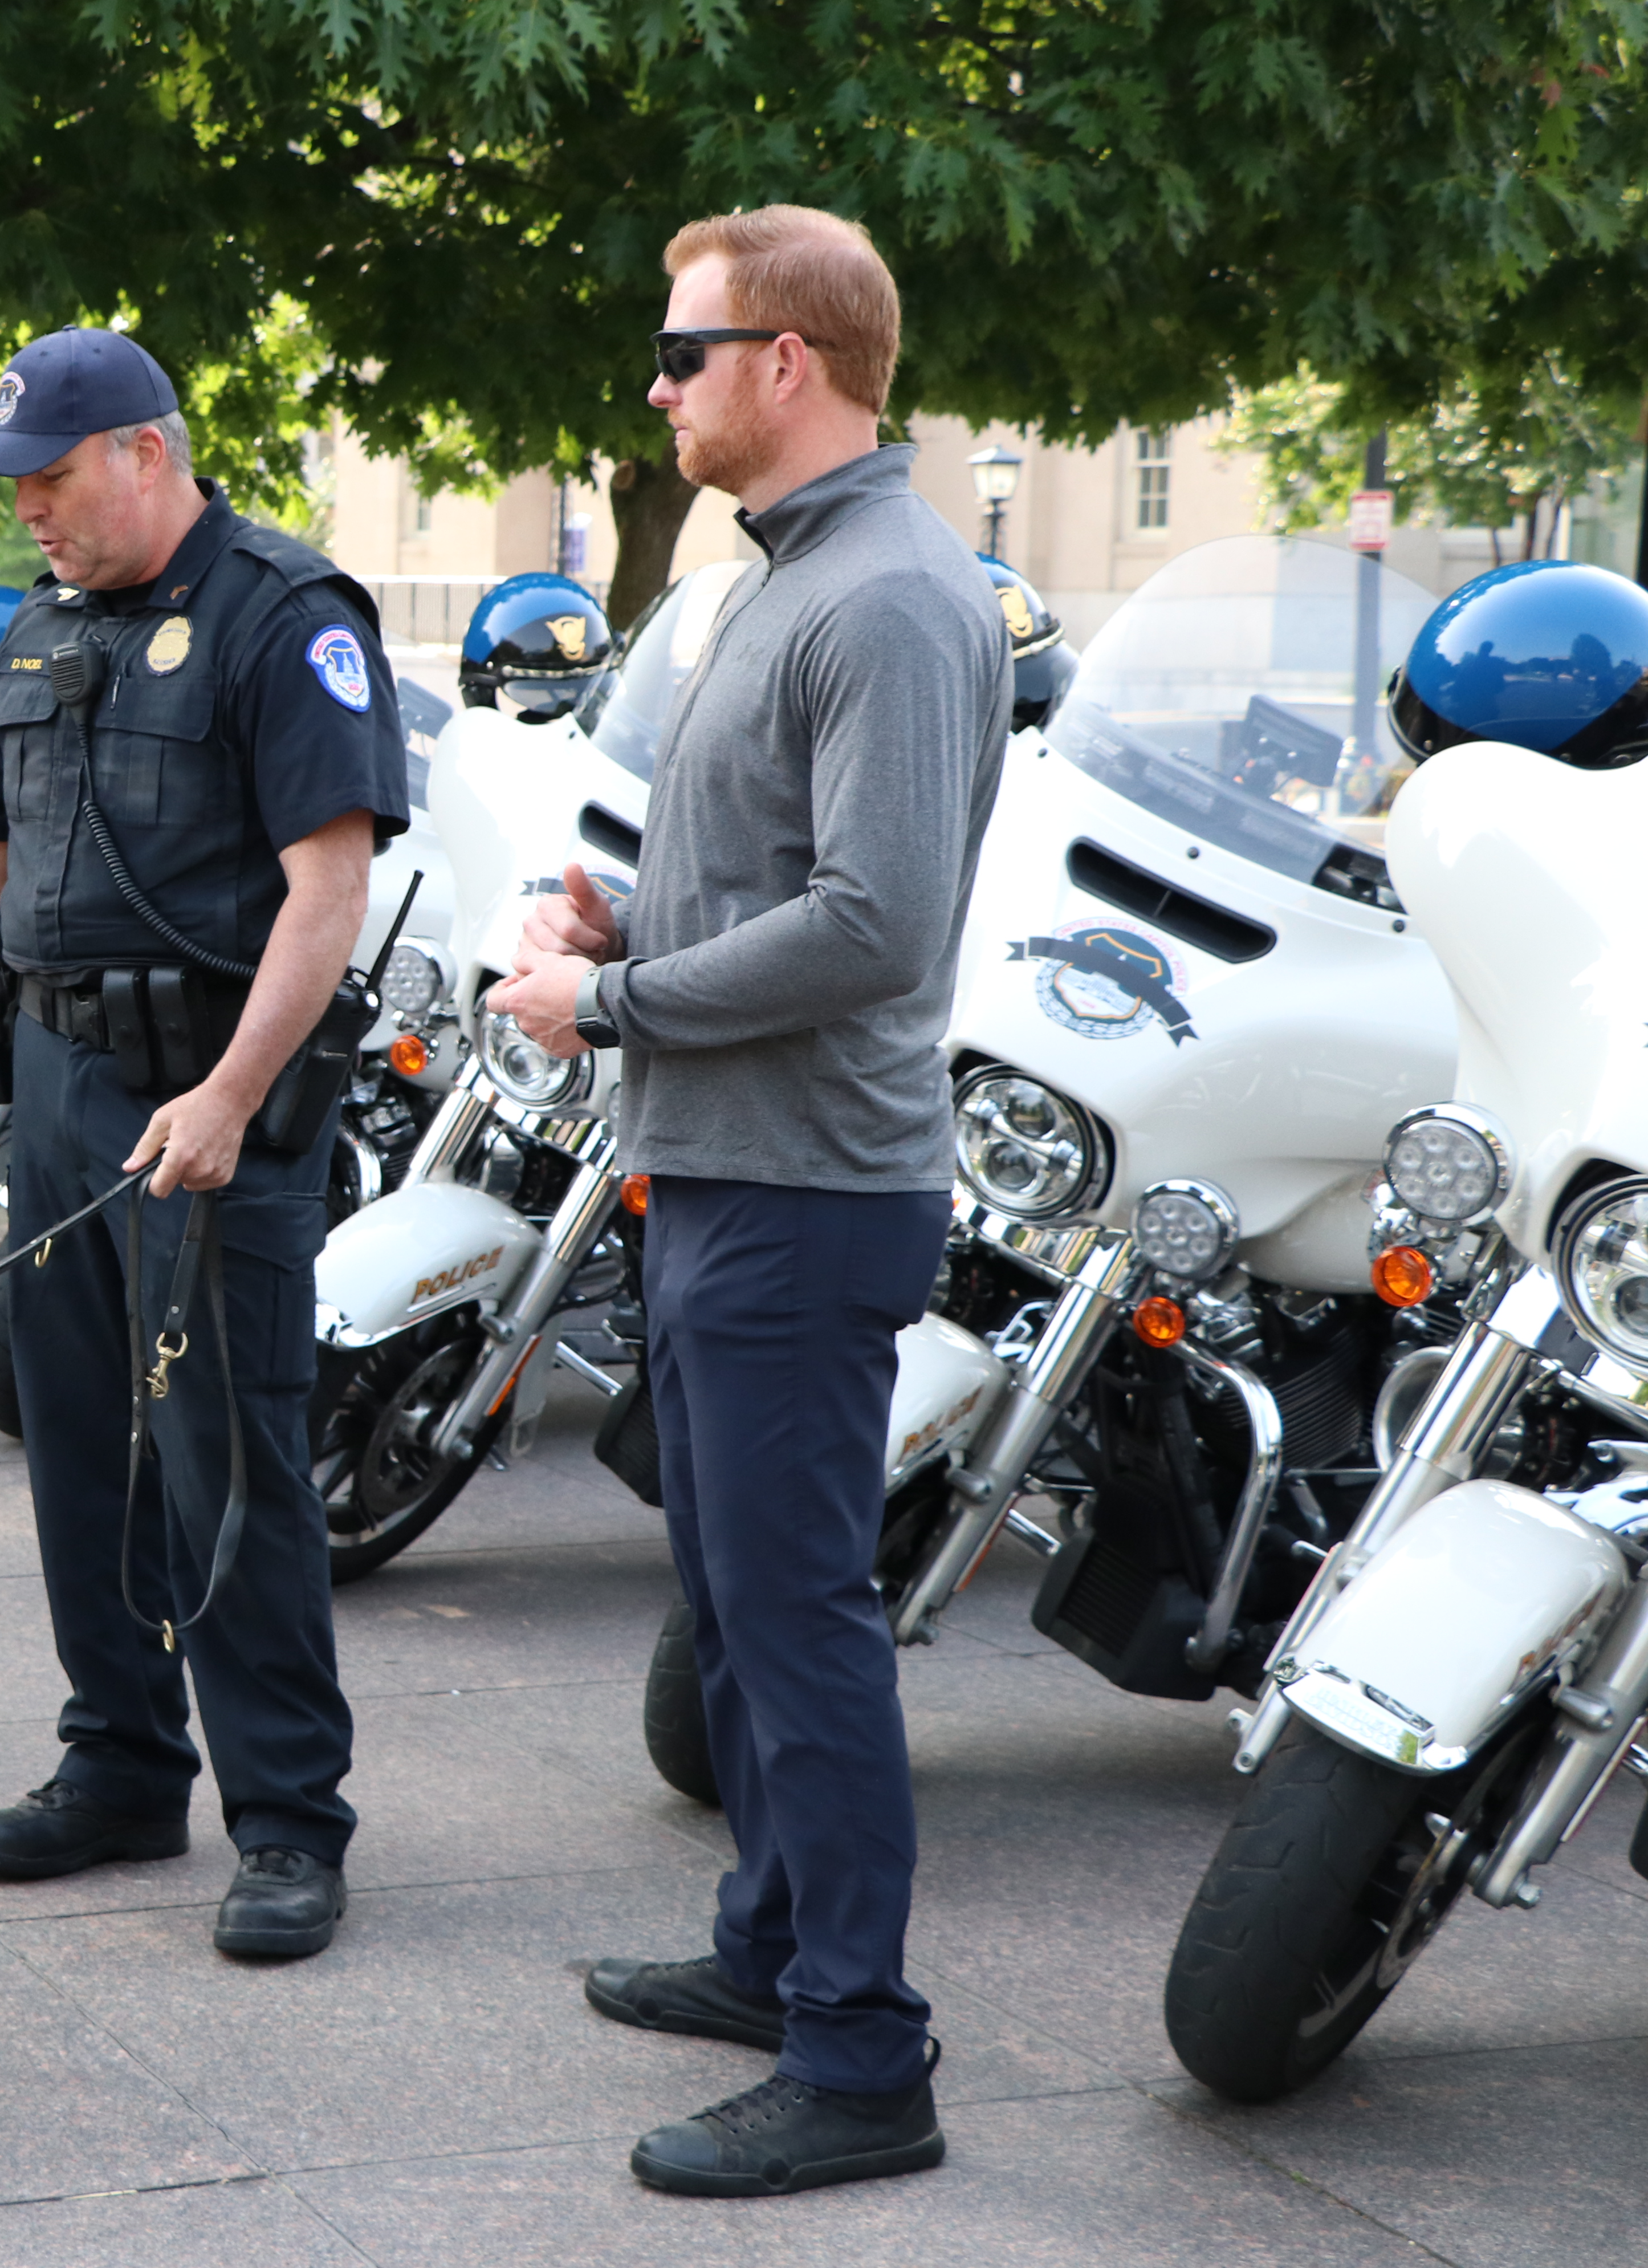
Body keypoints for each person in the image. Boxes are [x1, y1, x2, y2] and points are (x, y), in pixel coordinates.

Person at [487, 205, 1008, 2196]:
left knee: (797, 1631)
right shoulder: (786, 577)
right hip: (725, 1169)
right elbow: (796, 884)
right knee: (733, 1607)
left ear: (788, 362)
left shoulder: (883, 595)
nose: (656, 384)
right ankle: (772, 1957)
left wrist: (605, 997)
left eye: (682, 352)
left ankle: (864, 2058)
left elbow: (877, 927)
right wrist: (638, 922)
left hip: (802, 1193)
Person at [0, 327, 404, 1960]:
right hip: (54, 1088)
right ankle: (119, 1762)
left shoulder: (284, 613)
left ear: (145, 451)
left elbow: (330, 885)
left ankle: (287, 1821)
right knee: (71, 1440)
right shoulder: (42, 632)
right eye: (14, 487)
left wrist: (237, 1097)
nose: (29, 513)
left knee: (226, 1461)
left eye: (50, 479)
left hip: (208, 1101)